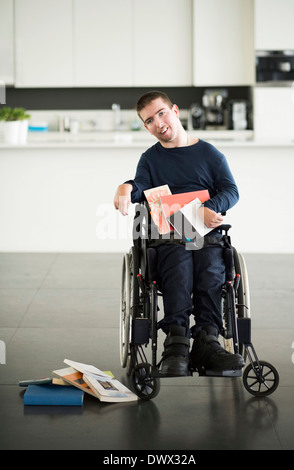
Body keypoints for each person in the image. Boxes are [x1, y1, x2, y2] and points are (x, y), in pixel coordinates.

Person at [114, 91, 244, 377]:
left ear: (174, 110)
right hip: (168, 238)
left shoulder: (209, 154)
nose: (158, 123)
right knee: (179, 260)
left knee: (210, 266)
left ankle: (208, 339)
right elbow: (141, 188)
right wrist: (125, 186)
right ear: (146, 127)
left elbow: (231, 191)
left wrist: (212, 207)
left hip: (206, 234)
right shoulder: (150, 159)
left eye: (161, 113)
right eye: (149, 120)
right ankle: (176, 341)